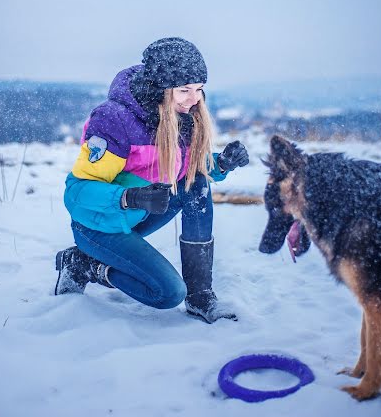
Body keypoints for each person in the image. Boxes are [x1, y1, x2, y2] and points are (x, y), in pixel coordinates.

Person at [55, 37, 249, 323]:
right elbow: (76, 193)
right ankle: (84, 264)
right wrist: (129, 197)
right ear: (160, 88)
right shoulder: (114, 120)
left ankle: (200, 296)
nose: (194, 99)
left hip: (141, 211)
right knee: (167, 293)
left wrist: (221, 164)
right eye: (184, 90)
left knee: (195, 183)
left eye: (199, 90)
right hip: (99, 225)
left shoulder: (181, 113)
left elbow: (180, 164)